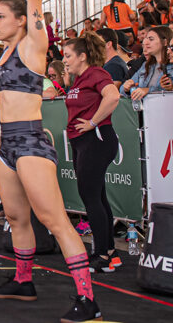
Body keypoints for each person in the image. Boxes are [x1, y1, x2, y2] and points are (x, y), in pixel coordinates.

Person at [0, 0, 102, 321]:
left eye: (2, 18)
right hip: (6, 144)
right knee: (16, 218)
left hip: (31, 141)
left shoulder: (34, 43)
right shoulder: (3, 51)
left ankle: (88, 299)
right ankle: (23, 280)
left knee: (54, 220)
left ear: (20, 21)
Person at [62, 33, 123, 273]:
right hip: (82, 141)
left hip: (95, 140)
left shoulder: (96, 73)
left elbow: (113, 96)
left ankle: (101, 256)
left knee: (90, 197)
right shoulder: (79, 79)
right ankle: (109, 252)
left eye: (68, 56)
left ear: (82, 56)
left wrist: (93, 122)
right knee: (98, 197)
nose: (64, 60)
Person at [122, 26, 173, 98]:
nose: (146, 43)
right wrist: (127, 88)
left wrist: (147, 91)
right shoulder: (146, 65)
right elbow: (122, 90)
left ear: (165, 42)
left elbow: (168, 91)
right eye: (146, 39)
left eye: (151, 39)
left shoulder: (171, 66)